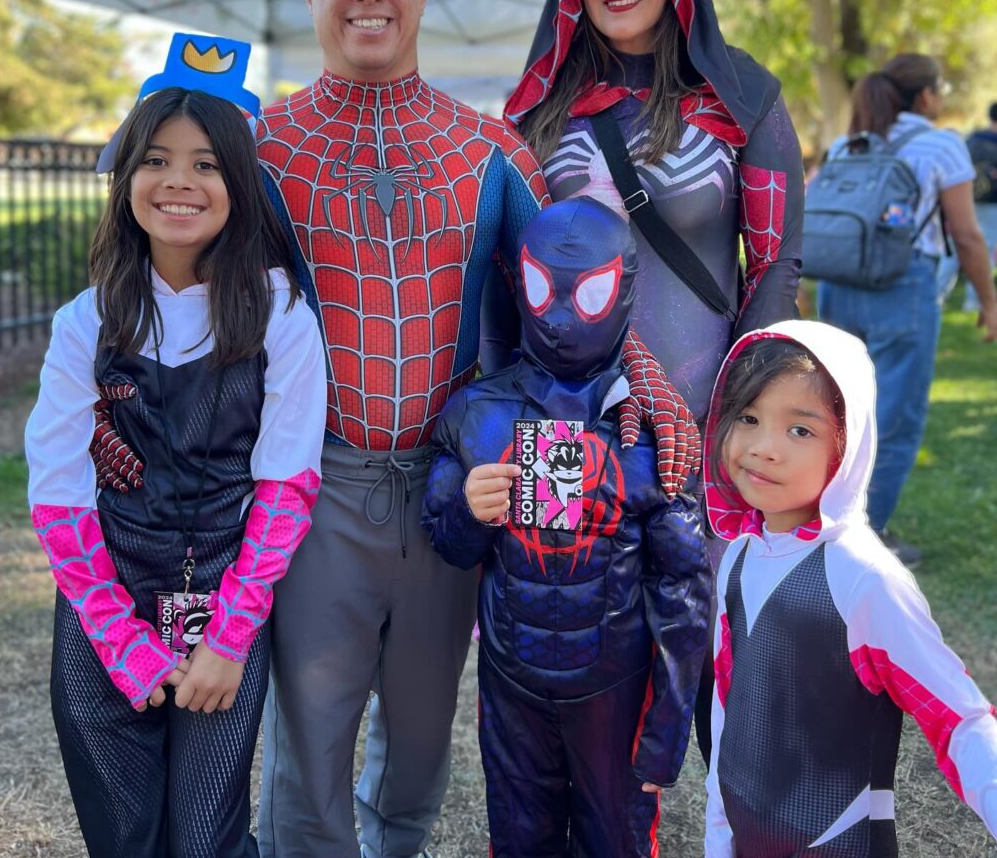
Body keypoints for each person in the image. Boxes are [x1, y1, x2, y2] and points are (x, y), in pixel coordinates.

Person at [252, 0, 699, 858]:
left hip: (459, 490)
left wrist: (651, 386)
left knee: (416, 751)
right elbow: (181, 292)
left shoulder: (488, 149)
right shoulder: (260, 149)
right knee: (309, 750)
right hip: (317, 485)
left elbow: (566, 287)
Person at [504, 0, 804, 767]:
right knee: (568, 669)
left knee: (719, 667)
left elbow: (776, 262)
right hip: (569, 429)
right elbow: (506, 282)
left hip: (705, 427)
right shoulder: (532, 115)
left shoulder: (741, 93)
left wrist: (743, 418)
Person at [25, 35, 327, 858]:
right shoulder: (85, 321)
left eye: (206, 164)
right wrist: (122, 643)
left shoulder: (280, 317)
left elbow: (287, 485)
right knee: (123, 836)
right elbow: (57, 494)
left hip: (227, 613)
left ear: (241, 182)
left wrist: (228, 642)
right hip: (101, 617)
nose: (179, 183)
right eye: (156, 159)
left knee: (207, 839)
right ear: (126, 177)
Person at [422, 198, 711, 857]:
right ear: (518, 282)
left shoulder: (654, 433)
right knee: (520, 836)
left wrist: (665, 727)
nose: (559, 318)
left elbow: (685, 589)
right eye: (542, 288)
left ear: (624, 290)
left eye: (591, 293)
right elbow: (449, 542)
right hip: (513, 681)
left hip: (615, 689)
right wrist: (469, 505)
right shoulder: (477, 414)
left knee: (617, 840)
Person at [703, 320, 997, 856]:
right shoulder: (739, 558)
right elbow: (730, 708)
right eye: (747, 418)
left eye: (800, 430)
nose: (763, 447)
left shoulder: (862, 576)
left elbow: (959, 719)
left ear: (847, 446)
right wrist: (718, 835)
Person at [817, 55, 997, 567]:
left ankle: (817, 521)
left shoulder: (846, 142)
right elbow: (965, 233)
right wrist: (988, 299)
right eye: (940, 89)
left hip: (839, 284)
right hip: (904, 286)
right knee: (895, 417)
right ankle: (863, 539)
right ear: (925, 96)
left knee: (834, 411)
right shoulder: (941, 144)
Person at [962, 101, 997, 310]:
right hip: (991, 204)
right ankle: (974, 300)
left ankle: (942, 291)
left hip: (968, 201)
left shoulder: (972, 140)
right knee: (985, 251)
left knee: (964, 249)